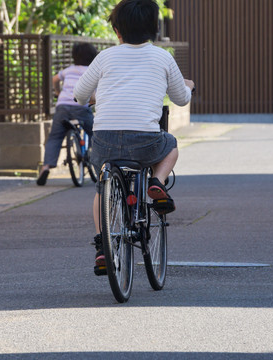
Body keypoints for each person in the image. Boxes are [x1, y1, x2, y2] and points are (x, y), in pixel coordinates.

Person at [73, 0, 195, 275]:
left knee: (102, 186)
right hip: (145, 142)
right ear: (154, 28)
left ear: (117, 31)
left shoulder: (104, 57)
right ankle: (156, 182)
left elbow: (79, 95)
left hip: (105, 142)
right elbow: (181, 98)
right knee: (171, 146)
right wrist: (190, 86)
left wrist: (96, 95)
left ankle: (103, 247)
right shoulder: (163, 57)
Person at [36, 42, 98, 186]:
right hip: (81, 106)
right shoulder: (92, 71)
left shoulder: (69, 70)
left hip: (63, 106)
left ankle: (46, 167)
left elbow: (54, 79)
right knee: (96, 133)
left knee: (55, 137)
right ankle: (100, 165)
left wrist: (58, 92)